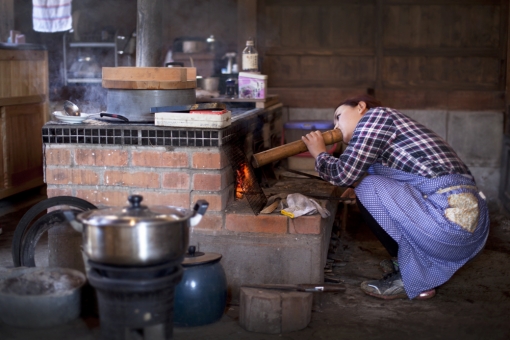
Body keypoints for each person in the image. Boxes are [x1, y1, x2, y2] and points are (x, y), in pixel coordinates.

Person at [301, 95, 489, 300]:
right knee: (364, 187)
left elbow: (342, 174)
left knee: (368, 186)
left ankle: (412, 276)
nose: (336, 126)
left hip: (450, 224)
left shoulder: (376, 117)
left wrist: (319, 153)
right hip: (465, 229)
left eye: (339, 116)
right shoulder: (388, 130)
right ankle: (409, 262)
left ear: (361, 107)